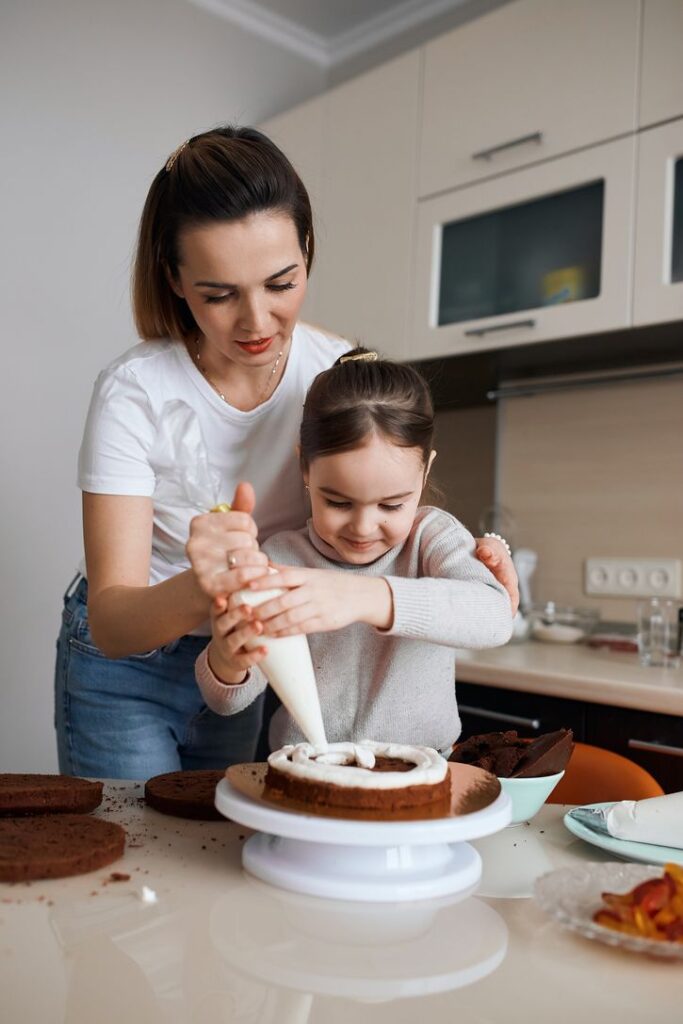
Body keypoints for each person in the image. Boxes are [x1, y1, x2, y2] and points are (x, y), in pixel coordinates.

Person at [55, 125, 518, 781]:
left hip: (253, 654)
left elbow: (396, 488)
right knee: (137, 852)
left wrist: (479, 562)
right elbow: (113, 621)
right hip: (132, 660)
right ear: (176, 281)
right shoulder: (135, 393)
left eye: (281, 282)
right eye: (218, 294)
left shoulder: (337, 374)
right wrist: (210, 590)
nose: (256, 323)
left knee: (213, 849)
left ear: (307, 252)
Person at [194, 350, 514, 755]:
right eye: (339, 503)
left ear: (425, 470)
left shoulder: (432, 538)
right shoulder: (283, 558)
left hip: (423, 772)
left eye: (392, 505)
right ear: (305, 468)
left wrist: (363, 596)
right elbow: (228, 702)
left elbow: (494, 617)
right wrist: (228, 659)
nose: (363, 528)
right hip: (309, 769)